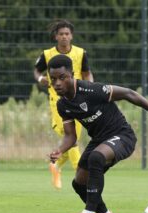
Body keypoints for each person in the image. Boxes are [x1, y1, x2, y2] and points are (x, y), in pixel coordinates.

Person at [47, 54, 148, 213]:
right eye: (53, 79)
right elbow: (71, 136)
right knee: (79, 182)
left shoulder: (91, 90)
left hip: (122, 136)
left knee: (96, 158)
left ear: (72, 74)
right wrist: (60, 150)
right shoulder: (63, 105)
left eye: (62, 77)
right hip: (99, 140)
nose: (57, 83)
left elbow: (128, 93)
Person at [34, 19, 94, 189]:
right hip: (58, 102)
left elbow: (87, 73)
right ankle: (81, 172)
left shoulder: (81, 53)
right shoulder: (47, 54)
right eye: (61, 34)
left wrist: (90, 87)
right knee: (70, 138)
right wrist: (40, 78)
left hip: (79, 101)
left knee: (72, 139)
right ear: (56, 36)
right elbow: (37, 70)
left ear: (72, 36)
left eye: (67, 34)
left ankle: (55, 165)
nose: (64, 37)